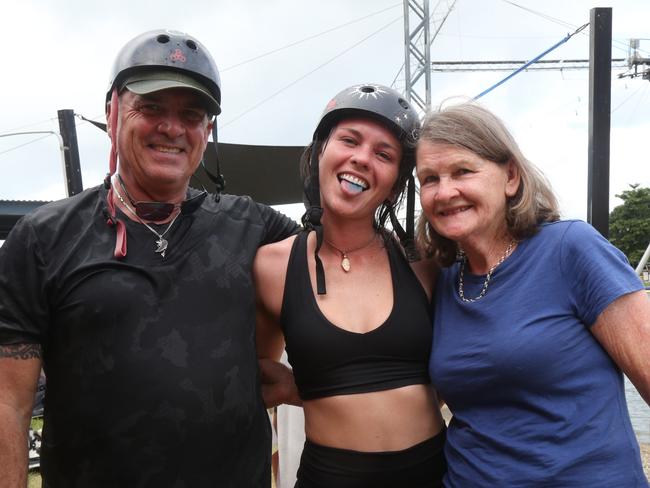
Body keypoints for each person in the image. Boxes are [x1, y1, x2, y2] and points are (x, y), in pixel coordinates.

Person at [0, 29, 298, 487]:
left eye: (191, 114)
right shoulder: (43, 238)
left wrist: (312, 385)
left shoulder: (253, 226)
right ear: (112, 112)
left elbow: (344, 268)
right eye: (152, 107)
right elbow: (9, 404)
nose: (172, 128)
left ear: (207, 131)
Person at [415, 101, 650, 487]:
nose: (445, 192)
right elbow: (417, 398)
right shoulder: (441, 282)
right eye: (429, 178)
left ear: (510, 176)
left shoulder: (570, 249)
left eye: (463, 171)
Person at [254, 84, 447, 487]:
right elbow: (259, 380)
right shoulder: (272, 267)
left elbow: (461, 370)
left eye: (384, 154)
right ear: (320, 151)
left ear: (396, 183)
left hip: (435, 475)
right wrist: (303, 388)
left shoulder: (423, 265)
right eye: (349, 140)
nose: (361, 159)